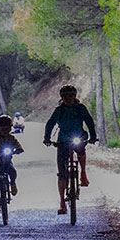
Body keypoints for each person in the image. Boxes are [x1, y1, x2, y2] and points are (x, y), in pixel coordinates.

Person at [43, 84, 98, 214]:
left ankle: (83, 173)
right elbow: (50, 123)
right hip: (63, 140)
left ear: (75, 96)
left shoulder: (80, 109)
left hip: (78, 136)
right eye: (65, 96)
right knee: (62, 173)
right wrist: (47, 138)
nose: (68, 98)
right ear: (62, 97)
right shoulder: (59, 110)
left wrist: (93, 136)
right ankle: (62, 203)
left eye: (71, 96)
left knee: (81, 151)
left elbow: (89, 121)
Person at [0, 114, 24, 215]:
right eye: (2, 128)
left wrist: (18, 149)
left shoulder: (11, 138)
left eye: (7, 128)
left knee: (12, 171)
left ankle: (12, 183)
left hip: (7, 162)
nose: (4, 130)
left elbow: (18, 145)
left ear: (10, 128)